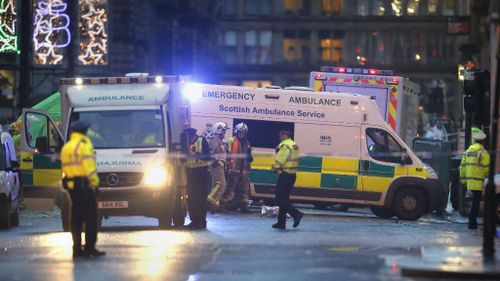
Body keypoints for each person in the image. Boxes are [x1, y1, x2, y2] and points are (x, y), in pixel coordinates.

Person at [60, 121, 105, 258]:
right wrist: (95, 183)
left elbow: (65, 168)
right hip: (85, 186)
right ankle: (90, 248)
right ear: (84, 132)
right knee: (91, 218)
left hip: (71, 187)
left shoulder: (67, 147)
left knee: (76, 218)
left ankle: (76, 249)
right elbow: (89, 169)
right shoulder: (85, 146)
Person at [271, 130, 303, 229]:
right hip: (292, 175)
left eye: (280, 135)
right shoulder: (294, 145)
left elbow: (280, 160)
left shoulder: (285, 145)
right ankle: (281, 222)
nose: (279, 137)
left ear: (285, 135)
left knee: (280, 199)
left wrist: (273, 168)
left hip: (285, 175)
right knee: (284, 199)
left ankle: (296, 214)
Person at [459, 130, 490, 230]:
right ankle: (472, 223)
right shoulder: (484, 153)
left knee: (472, 202)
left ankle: (472, 222)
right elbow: (487, 169)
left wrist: (464, 180)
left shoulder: (468, 152)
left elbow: (462, 167)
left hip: (469, 182)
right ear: (483, 141)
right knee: (476, 204)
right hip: (478, 182)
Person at [183, 128, 211, 229]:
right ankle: (194, 221)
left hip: (201, 173)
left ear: (193, 135)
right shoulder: (185, 144)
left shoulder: (202, 141)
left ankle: (201, 222)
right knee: (191, 199)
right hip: (190, 174)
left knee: (200, 199)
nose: (188, 139)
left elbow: (208, 156)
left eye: (190, 137)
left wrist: (194, 154)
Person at [223, 123, 253, 213]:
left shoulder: (246, 142)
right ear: (236, 131)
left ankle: (243, 207)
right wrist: (228, 164)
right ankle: (223, 205)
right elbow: (228, 153)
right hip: (234, 169)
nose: (242, 134)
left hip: (243, 170)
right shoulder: (232, 140)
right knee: (230, 189)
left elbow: (248, 155)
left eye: (243, 132)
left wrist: (250, 157)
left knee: (244, 190)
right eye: (240, 132)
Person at [207, 121, 230, 211]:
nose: (224, 133)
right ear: (219, 130)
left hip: (219, 165)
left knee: (218, 184)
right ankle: (212, 201)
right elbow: (216, 150)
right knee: (221, 184)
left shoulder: (219, 140)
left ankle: (214, 203)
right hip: (216, 165)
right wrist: (223, 148)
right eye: (223, 131)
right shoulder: (215, 140)